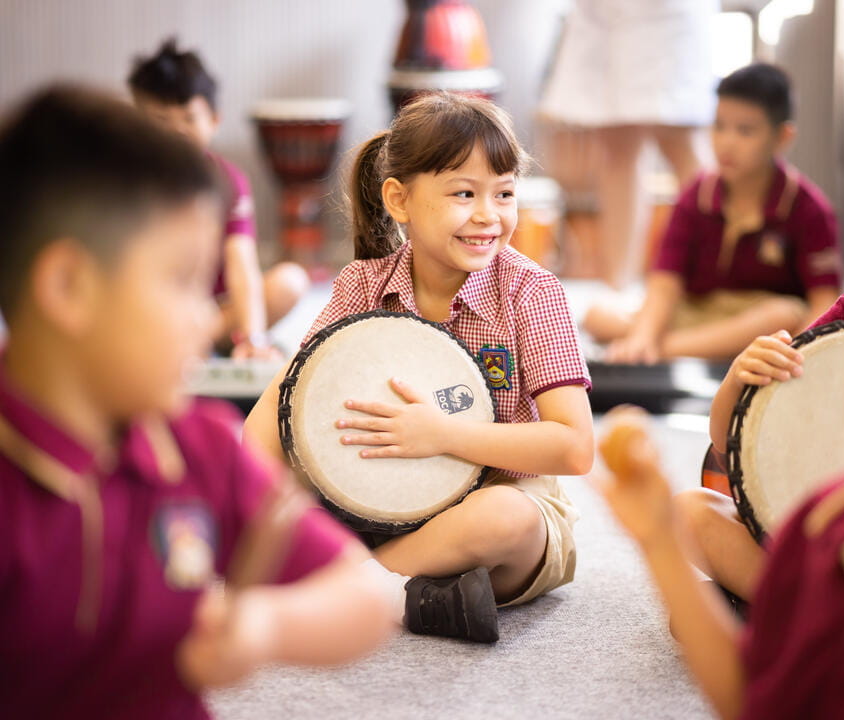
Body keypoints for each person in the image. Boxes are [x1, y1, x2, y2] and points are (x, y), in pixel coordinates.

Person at [0, 85, 393, 719]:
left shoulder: (199, 445)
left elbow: (365, 595)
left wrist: (268, 626)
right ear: (68, 287)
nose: (207, 318)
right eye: (183, 282)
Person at [244, 92, 595, 643]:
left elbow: (574, 447)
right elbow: (290, 393)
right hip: (370, 505)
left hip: (499, 499)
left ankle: (364, 583)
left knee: (506, 519)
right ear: (399, 200)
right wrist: (254, 492)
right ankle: (428, 590)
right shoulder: (363, 284)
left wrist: (443, 435)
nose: (489, 215)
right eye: (464, 193)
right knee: (285, 404)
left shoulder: (531, 292)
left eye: (504, 193)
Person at [595, 271, 844, 719]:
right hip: (794, 549)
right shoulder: (828, 514)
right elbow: (752, 701)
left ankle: (760, 608)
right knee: (692, 511)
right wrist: (660, 538)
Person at [675, 123, 844, 603]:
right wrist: (740, 376)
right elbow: (726, 442)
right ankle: (803, 614)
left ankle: (779, 613)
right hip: (823, 545)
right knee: (691, 511)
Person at [584, 63, 842, 362]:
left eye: (745, 131)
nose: (727, 143)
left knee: (785, 315)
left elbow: (824, 300)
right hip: (695, 312)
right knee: (597, 316)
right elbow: (665, 282)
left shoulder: (808, 207)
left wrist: (799, 350)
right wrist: (643, 335)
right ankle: (682, 347)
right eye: (719, 126)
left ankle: (667, 350)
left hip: (758, 320)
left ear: (782, 137)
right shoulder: (696, 195)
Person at [128, 38, 308, 359]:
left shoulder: (228, 180)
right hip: (154, 311)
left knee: (289, 281)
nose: (177, 132)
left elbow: (241, 264)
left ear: (214, 120)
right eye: (162, 122)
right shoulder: (127, 180)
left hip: (213, 316)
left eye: (188, 118)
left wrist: (252, 338)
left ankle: (214, 342)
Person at [538, 0, 718, 285]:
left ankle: (716, 274)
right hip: (604, 13)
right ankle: (618, 285)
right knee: (616, 145)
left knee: (679, 137)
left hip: (664, 13)